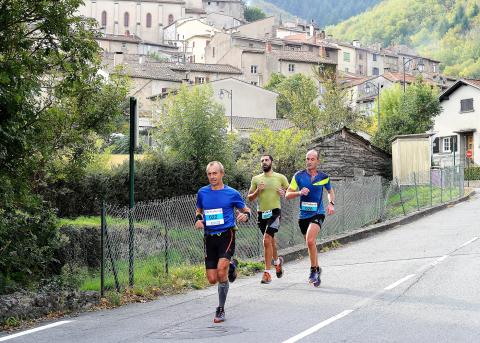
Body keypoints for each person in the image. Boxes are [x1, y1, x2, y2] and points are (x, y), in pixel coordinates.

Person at [195, 161, 251, 323]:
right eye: (209, 174)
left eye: (215, 173)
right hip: (209, 237)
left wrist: (246, 216)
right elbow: (199, 210)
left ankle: (220, 309)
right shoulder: (202, 192)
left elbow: (245, 210)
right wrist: (198, 219)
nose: (212, 177)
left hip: (227, 235)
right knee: (212, 279)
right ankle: (232, 265)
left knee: (221, 271)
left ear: (222, 174)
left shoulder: (232, 193)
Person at [285, 149, 335, 287]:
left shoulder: (324, 177)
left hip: (318, 213)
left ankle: (313, 270)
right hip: (303, 216)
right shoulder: (299, 176)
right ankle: (317, 269)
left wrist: (331, 203)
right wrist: (299, 192)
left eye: (312, 159)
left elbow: (330, 191)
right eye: (307, 159)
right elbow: (287, 194)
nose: (309, 161)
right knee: (310, 244)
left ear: (318, 161)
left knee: (310, 240)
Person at [247, 154, 289, 284]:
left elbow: (290, 192)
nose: (264, 162)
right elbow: (249, 198)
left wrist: (285, 193)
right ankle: (277, 262)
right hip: (261, 214)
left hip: (275, 212)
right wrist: (257, 191)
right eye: (262, 161)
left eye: (266, 160)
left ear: (271, 162)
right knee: (270, 241)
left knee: (266, 240)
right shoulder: (256, 179)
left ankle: (267, 273)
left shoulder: (280, 177)